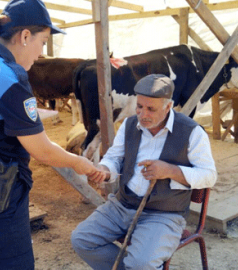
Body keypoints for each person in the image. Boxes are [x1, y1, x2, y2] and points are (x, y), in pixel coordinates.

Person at [0, 0, 99, 269]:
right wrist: (78, 162)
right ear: (25, 36)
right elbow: (42, 150)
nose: (41, 53)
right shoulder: (7, 77)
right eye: (43, 42)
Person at [71, 74, 217, 270]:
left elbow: (209, 175)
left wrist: (170, 170)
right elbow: (114, 158)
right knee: (82, 240)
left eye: (151, 109)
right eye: (139, 106)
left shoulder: (191, 132)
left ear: (168, 106)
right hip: (122, 205)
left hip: (164, 213)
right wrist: (104, 170)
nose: (143, 114)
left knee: (141, 263)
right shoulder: (129, 125)